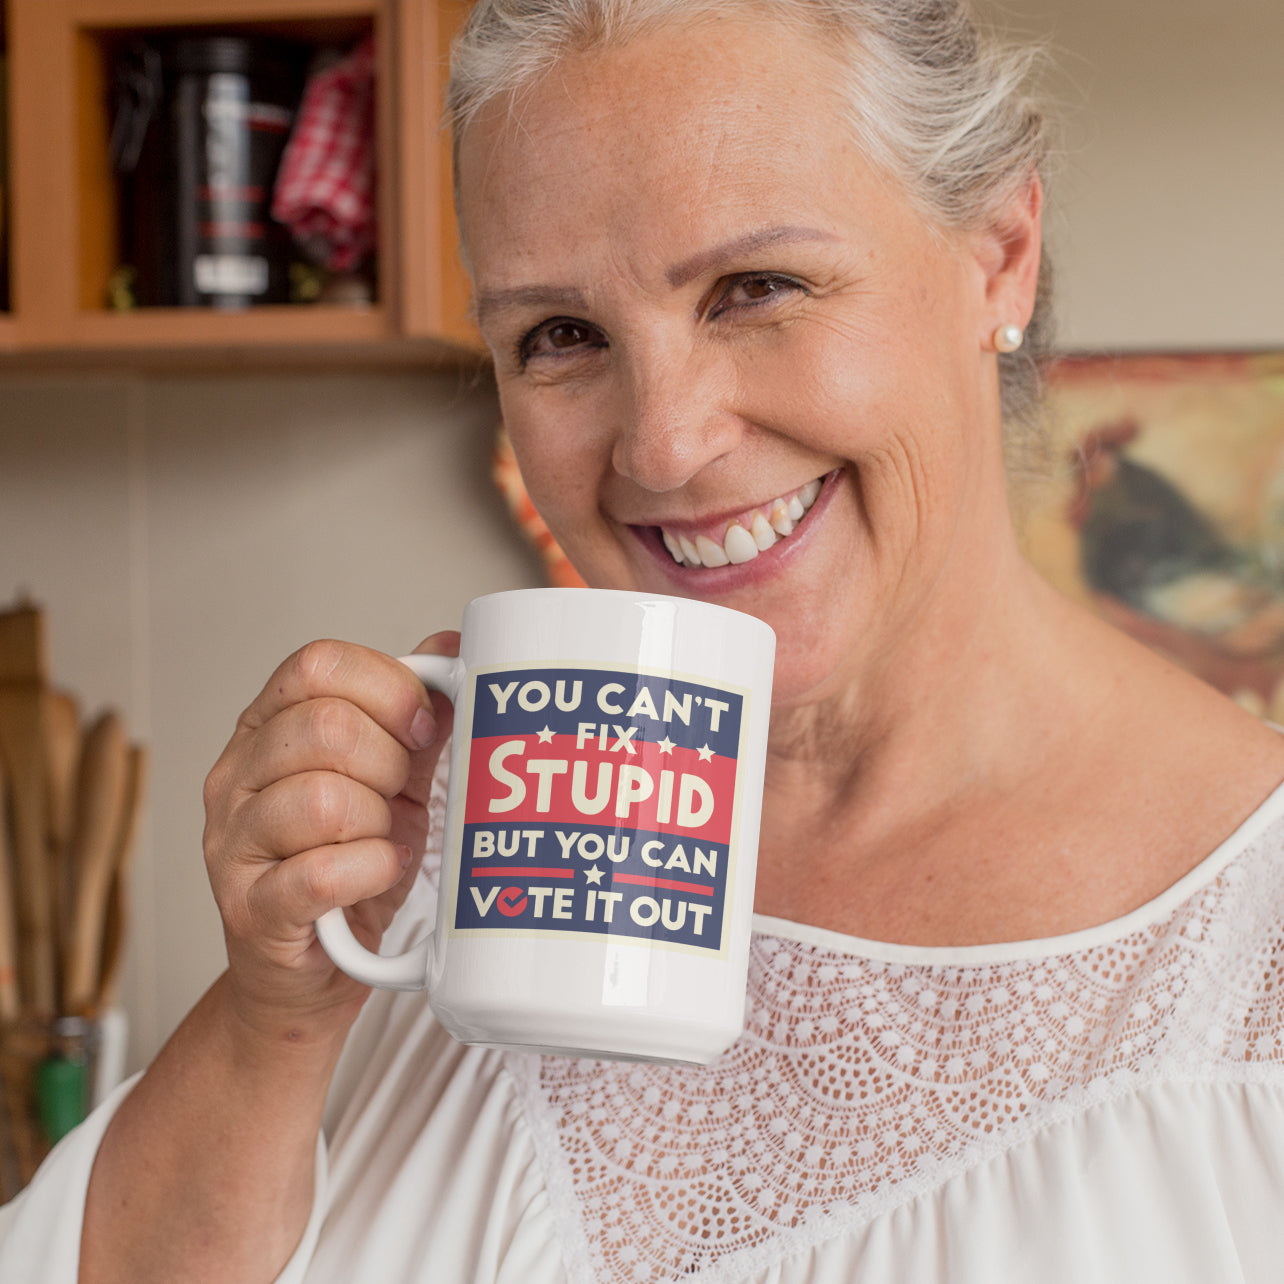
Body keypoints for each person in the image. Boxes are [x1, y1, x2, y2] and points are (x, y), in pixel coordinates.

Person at [5, 0, 1284, 1280]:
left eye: (757, 288)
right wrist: (270, 1020)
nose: (663, 443)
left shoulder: (1255, 959)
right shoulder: (432, 874)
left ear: (1000, 251)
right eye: (560, 336)